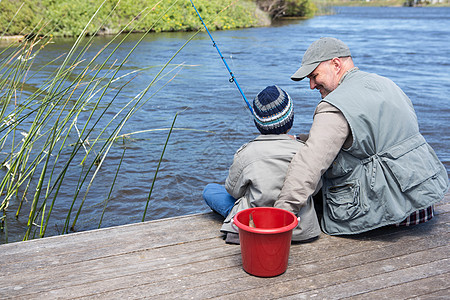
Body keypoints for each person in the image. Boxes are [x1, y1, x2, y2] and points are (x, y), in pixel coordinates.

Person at [275, 37, 449, 235]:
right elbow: (373, 135)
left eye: (314, 76)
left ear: (336, 64)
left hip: (387, 218)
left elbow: (309, 165)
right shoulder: (386, 84)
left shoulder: (334, 105)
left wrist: (279, 215)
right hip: (422, 206)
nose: (312, 85)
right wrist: (302, 139)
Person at [203, 85, 321, 244]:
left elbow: (233, 190)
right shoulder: (305, 151)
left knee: (210, 190)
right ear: (290, 120)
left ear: (258, 123)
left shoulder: (246, 153)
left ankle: (239, 221)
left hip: (255, 223)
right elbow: (316, 187)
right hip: (299, 228)